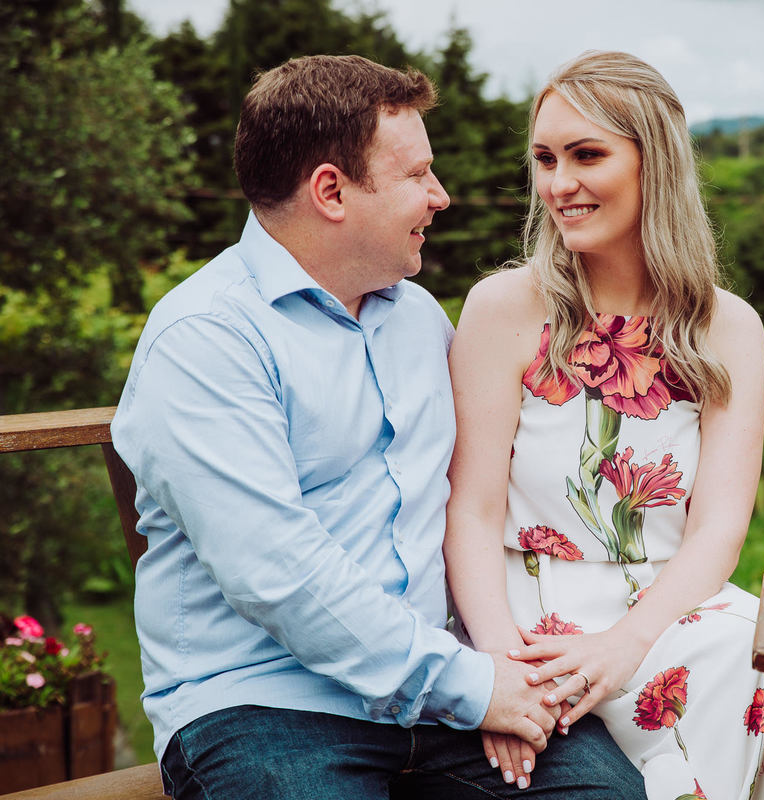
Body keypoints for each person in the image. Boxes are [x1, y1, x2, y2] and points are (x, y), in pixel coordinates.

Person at [111, 54, 645, 800]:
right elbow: (279, 575)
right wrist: (474, 687)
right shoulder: (206, 338)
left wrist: (494, 666)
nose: (441, 196)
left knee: (605, 794)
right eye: (418, 174)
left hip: (441, 697)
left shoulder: (419, 319)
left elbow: (481, 495)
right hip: (266, 707)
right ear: (331, 191)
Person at [444, 50, 764, 800]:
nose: (559, 183)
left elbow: (719, 528)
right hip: (527, 614)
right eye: (545, 159)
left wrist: (626, 642)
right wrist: (496, 668)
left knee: (761, 658)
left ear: (657, 164)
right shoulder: (503, 309)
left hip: (667, 608)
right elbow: (471, 510)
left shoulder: (726, 328)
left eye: (587, 155)